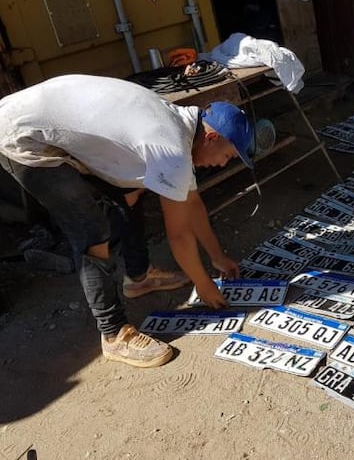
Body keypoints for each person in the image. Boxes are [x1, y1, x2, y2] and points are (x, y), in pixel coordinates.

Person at [0, 74, 255, 368]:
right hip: (22, 135)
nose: (222, 163)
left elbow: (192, 202)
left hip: (46, 123)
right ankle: (114, 334)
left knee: (133, 191)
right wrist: (204, 284)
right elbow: (180, 236)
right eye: (227, 155)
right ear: (212, 137)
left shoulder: (181, 125)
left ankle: (138, 277)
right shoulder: (171, 148)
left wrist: (217, 257)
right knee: (93, 231)